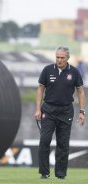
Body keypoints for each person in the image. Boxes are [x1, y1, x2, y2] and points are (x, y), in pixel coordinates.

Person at [34, 46, 85, 179]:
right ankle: (44, 173)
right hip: (48, 110)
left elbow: (80, 91)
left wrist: (82, 111)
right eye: (57, 57)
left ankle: (60, 175)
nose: (59, 60)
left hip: (66, 111)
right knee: (44, 140)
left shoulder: (74, 72)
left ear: (67, 58)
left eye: (62, 58)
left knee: (63, 143)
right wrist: (38, 109)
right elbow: (40, 89)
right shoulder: (47, 70)